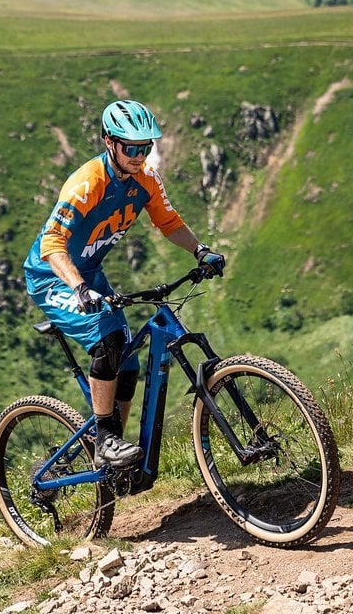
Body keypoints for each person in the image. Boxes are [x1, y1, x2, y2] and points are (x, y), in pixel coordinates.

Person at [23, 100, 226, 468]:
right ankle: (104, 442)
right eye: (131, 147)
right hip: (53, 276)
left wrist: (200, 251)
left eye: (145, 147)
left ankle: (115, 449)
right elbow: (52, 244)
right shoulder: (87, 183)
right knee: (109, 343)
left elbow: (169, 222)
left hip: (90, 272)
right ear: (109, 142)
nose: (139, 155)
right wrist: (79, 289)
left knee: (128, 362)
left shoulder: (146, 179)